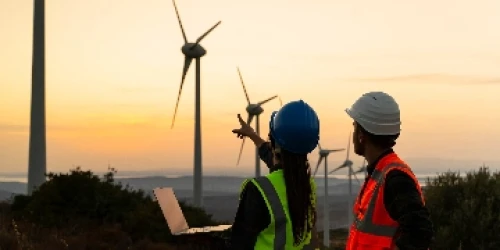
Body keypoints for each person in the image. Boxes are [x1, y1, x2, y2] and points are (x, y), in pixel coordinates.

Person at [344, 91, 434, 250]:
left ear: (361, 135)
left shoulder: (395, 178)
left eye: (355, 127)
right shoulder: (381, 173)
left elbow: (420, 232)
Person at [230, 100, 320, 250]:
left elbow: (239, 244)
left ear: (274, 144)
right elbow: (284, 161)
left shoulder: (258, 190)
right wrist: (253, 135)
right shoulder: (307, 185)